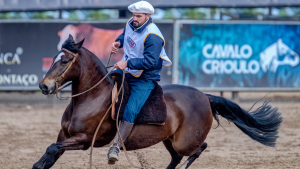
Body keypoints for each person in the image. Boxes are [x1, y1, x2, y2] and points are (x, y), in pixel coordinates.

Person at [107, 0, 172, 164]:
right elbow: (126, 35)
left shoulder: (153, 36)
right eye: (134, 15)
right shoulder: (131, 23)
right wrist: (118, 42)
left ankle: (116, 146)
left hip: (145, 78)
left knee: (131, 109)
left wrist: (127, 63)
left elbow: (150, 62)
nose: (134, 18)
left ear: (148, 16)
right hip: (128, 71)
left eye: (138, 16)